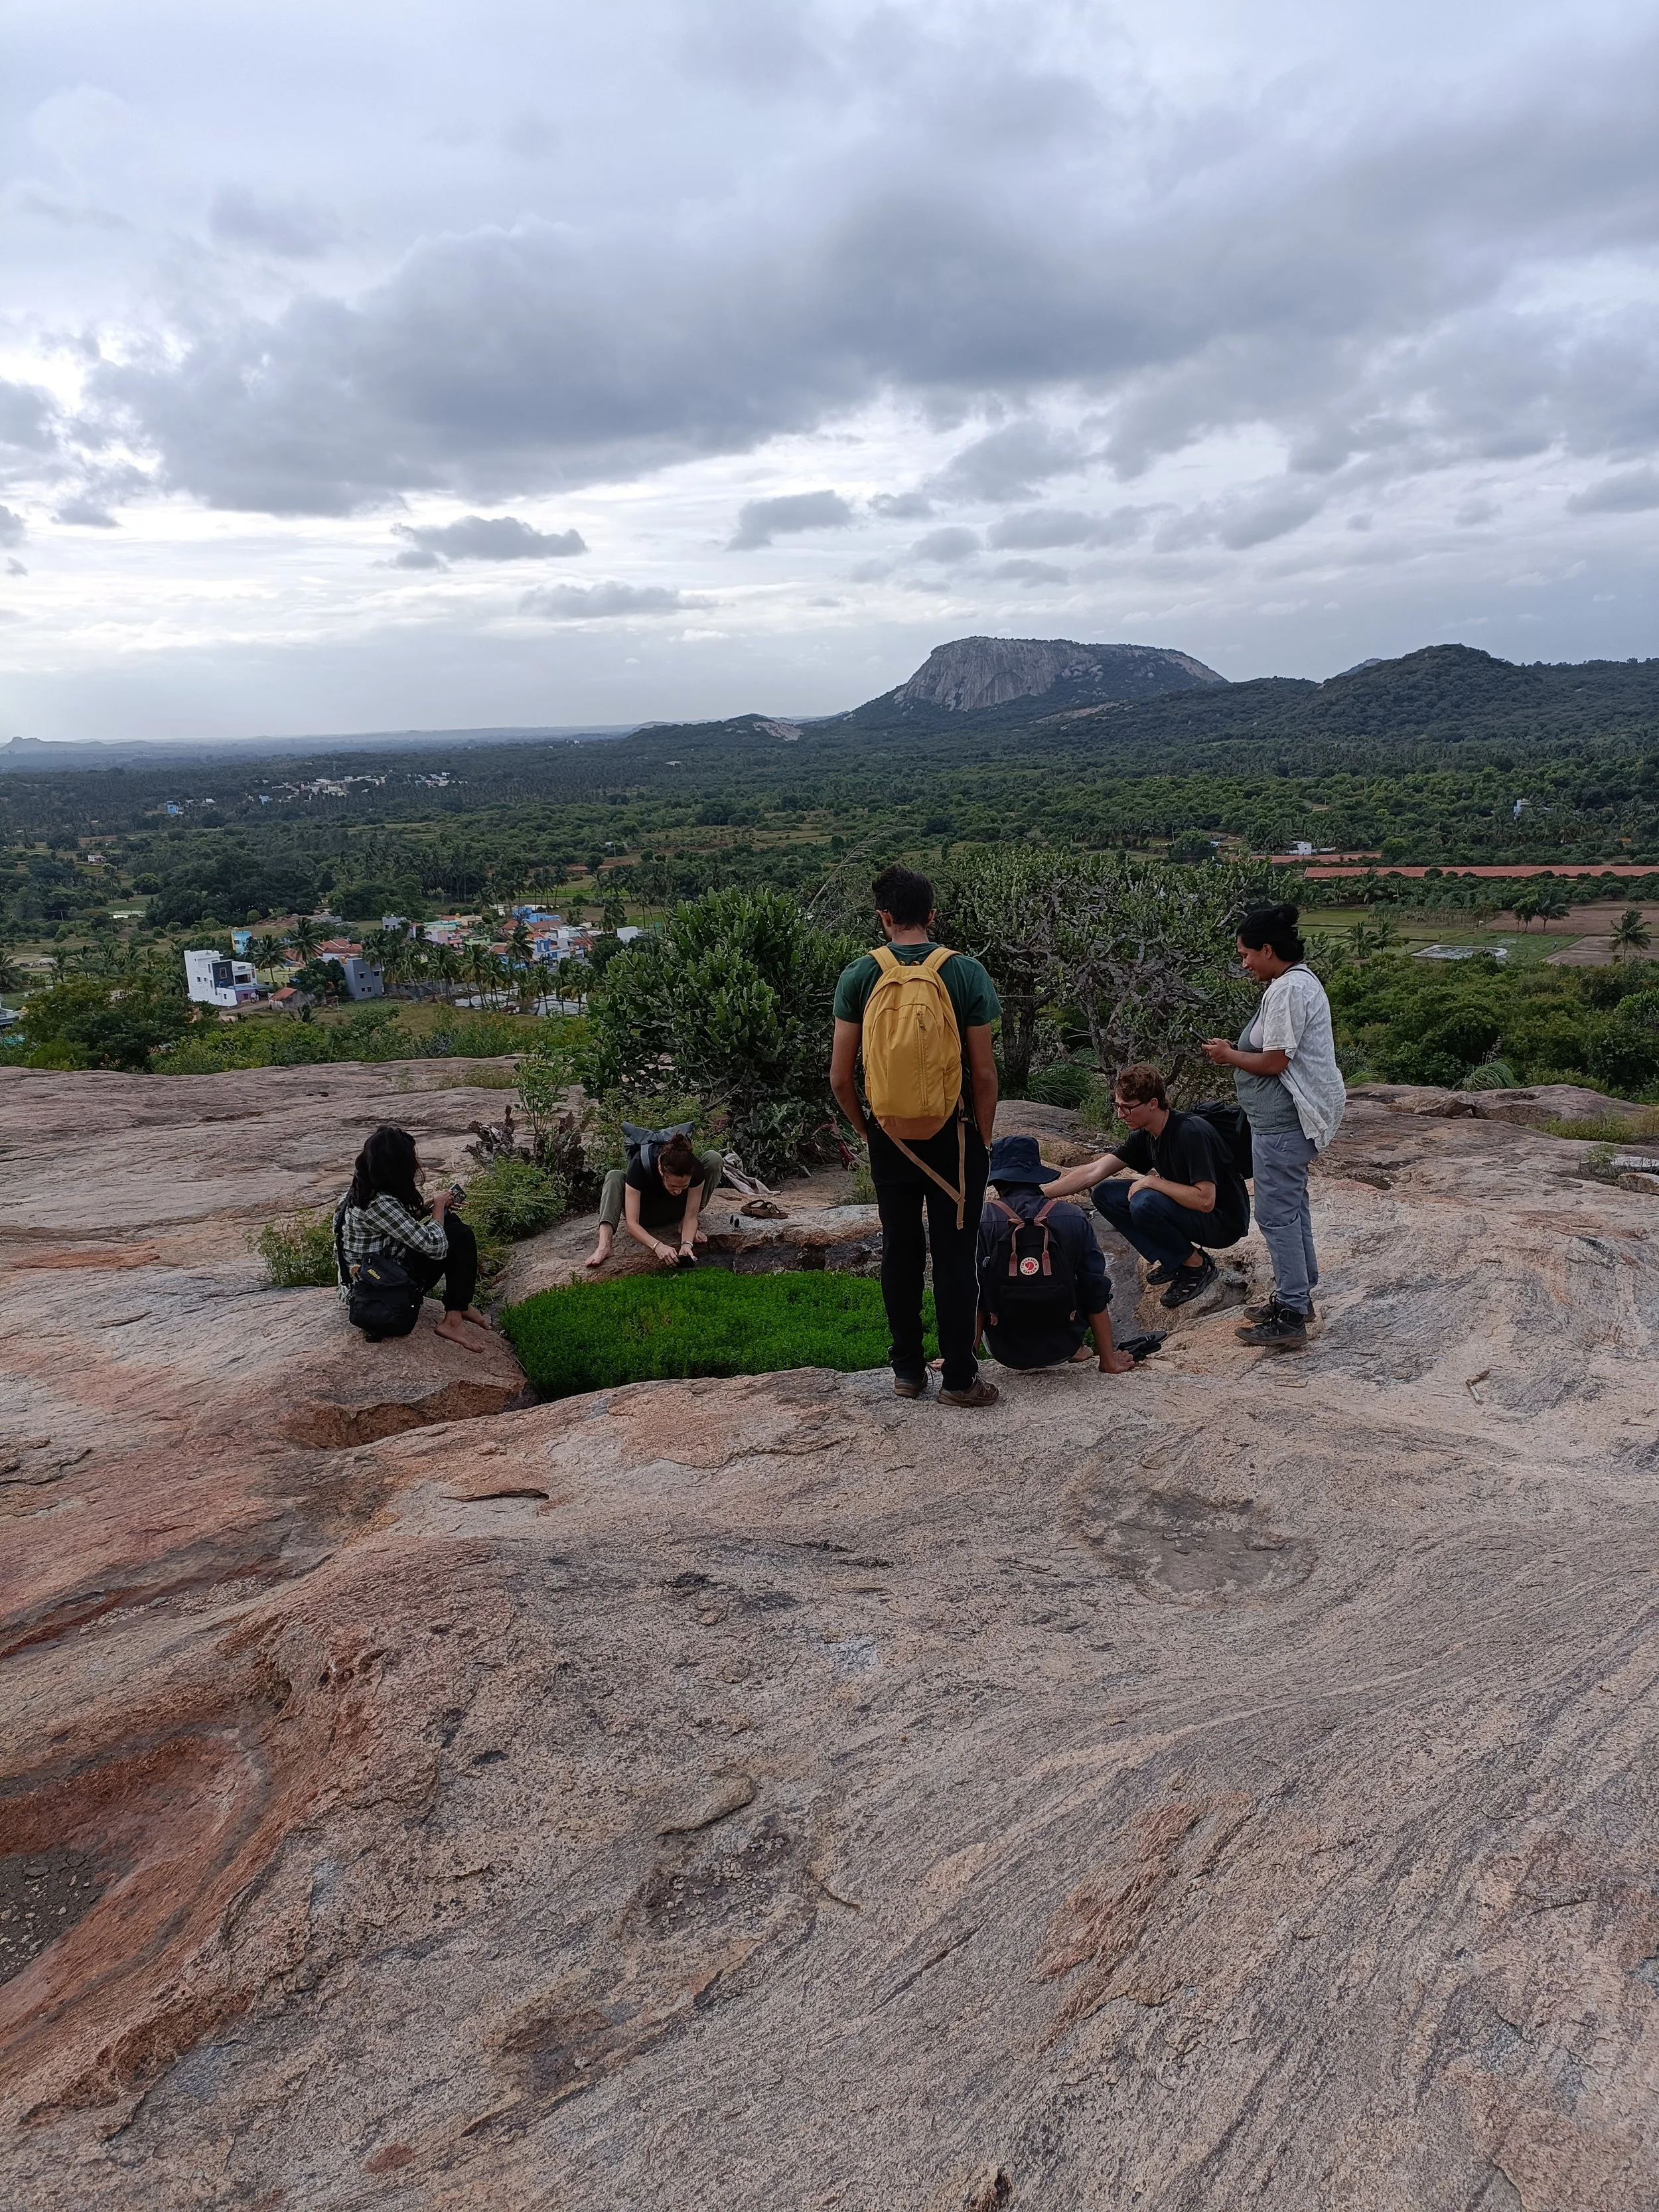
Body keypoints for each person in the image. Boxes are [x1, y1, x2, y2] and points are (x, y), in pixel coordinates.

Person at [830, 864, 1001, 1408]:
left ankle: (906, 1370)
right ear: (932, 915)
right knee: (954, 1257)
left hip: (889, 1137)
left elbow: (838, 1076)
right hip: (953, 1137)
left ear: (883, 917)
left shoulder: (860, 975)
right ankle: (959, 1380)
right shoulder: (966, 973)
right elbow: (984, 1074)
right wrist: (984, 1138)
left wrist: (869, 1130)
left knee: (900, 1252)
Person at [1201, 903, 1346, 1350]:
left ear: (1267, 949)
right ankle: (1296, 1295)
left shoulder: (1287, 991)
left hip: (1283, 1123)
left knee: (1277, 1213)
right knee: (1292, 1204)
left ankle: (1291, 1311)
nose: (1244, 963)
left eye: (1247, 954)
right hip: (1282, 1120)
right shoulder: (1297, 982)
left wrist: (1228, 1055)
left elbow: (1275, 1060)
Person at [1042, 1063, 1249, 1307]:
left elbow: (1205, 1200)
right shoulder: (1147, 1134)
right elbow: (1094, 1172)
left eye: (1127, 1108)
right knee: (1105, 1194)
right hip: (1192, 1211)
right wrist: (1041, 1193)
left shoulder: (1190, 1131)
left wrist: (1153, 1182)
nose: (1120, 1115)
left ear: (1153, 1103)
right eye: (1118, 1106)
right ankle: (1174, 1259)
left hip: (1223, 1222)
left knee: (1145, 1201)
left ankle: (1196, 1267)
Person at [975, 1135, 1137, 1374]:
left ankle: (967, 1360)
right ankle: (1080, 1350)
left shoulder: (984, 1219)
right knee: (1083, 1279)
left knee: (974, 1284)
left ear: (998, 1181)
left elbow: (973, 1296)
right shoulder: (1073, 1216)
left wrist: (962, 1363)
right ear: (1036, 1178)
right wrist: (1108, 1361)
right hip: (1064, 1345)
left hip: (1005, 1349)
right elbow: (1096, 1289)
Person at [334, 1124, 491, 1351]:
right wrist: (438, 1206)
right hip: (380, 1290)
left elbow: (394, 1226)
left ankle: (461, 1303)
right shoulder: (380, 1204)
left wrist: (428, 1208)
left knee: (452, 1224)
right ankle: (453, 1321)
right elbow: (435, 1246)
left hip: (371, 1276)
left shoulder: (360, 1191)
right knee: (460, 1235)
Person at [586, 1132, 725, 1272]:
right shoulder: (639, 1164)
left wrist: (686, 1244)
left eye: (684, 1186)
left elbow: (691, 1217)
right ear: (661, 1170)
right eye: (673, 1186)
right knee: (614, 1176)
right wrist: (657, 1246)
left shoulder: (694, 1168)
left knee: (714, 1157)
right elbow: (632, 1224)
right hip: (646, 1216)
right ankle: (605, 1246)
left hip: (678, 1212)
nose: (678, 1191)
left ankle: (683, 1228)